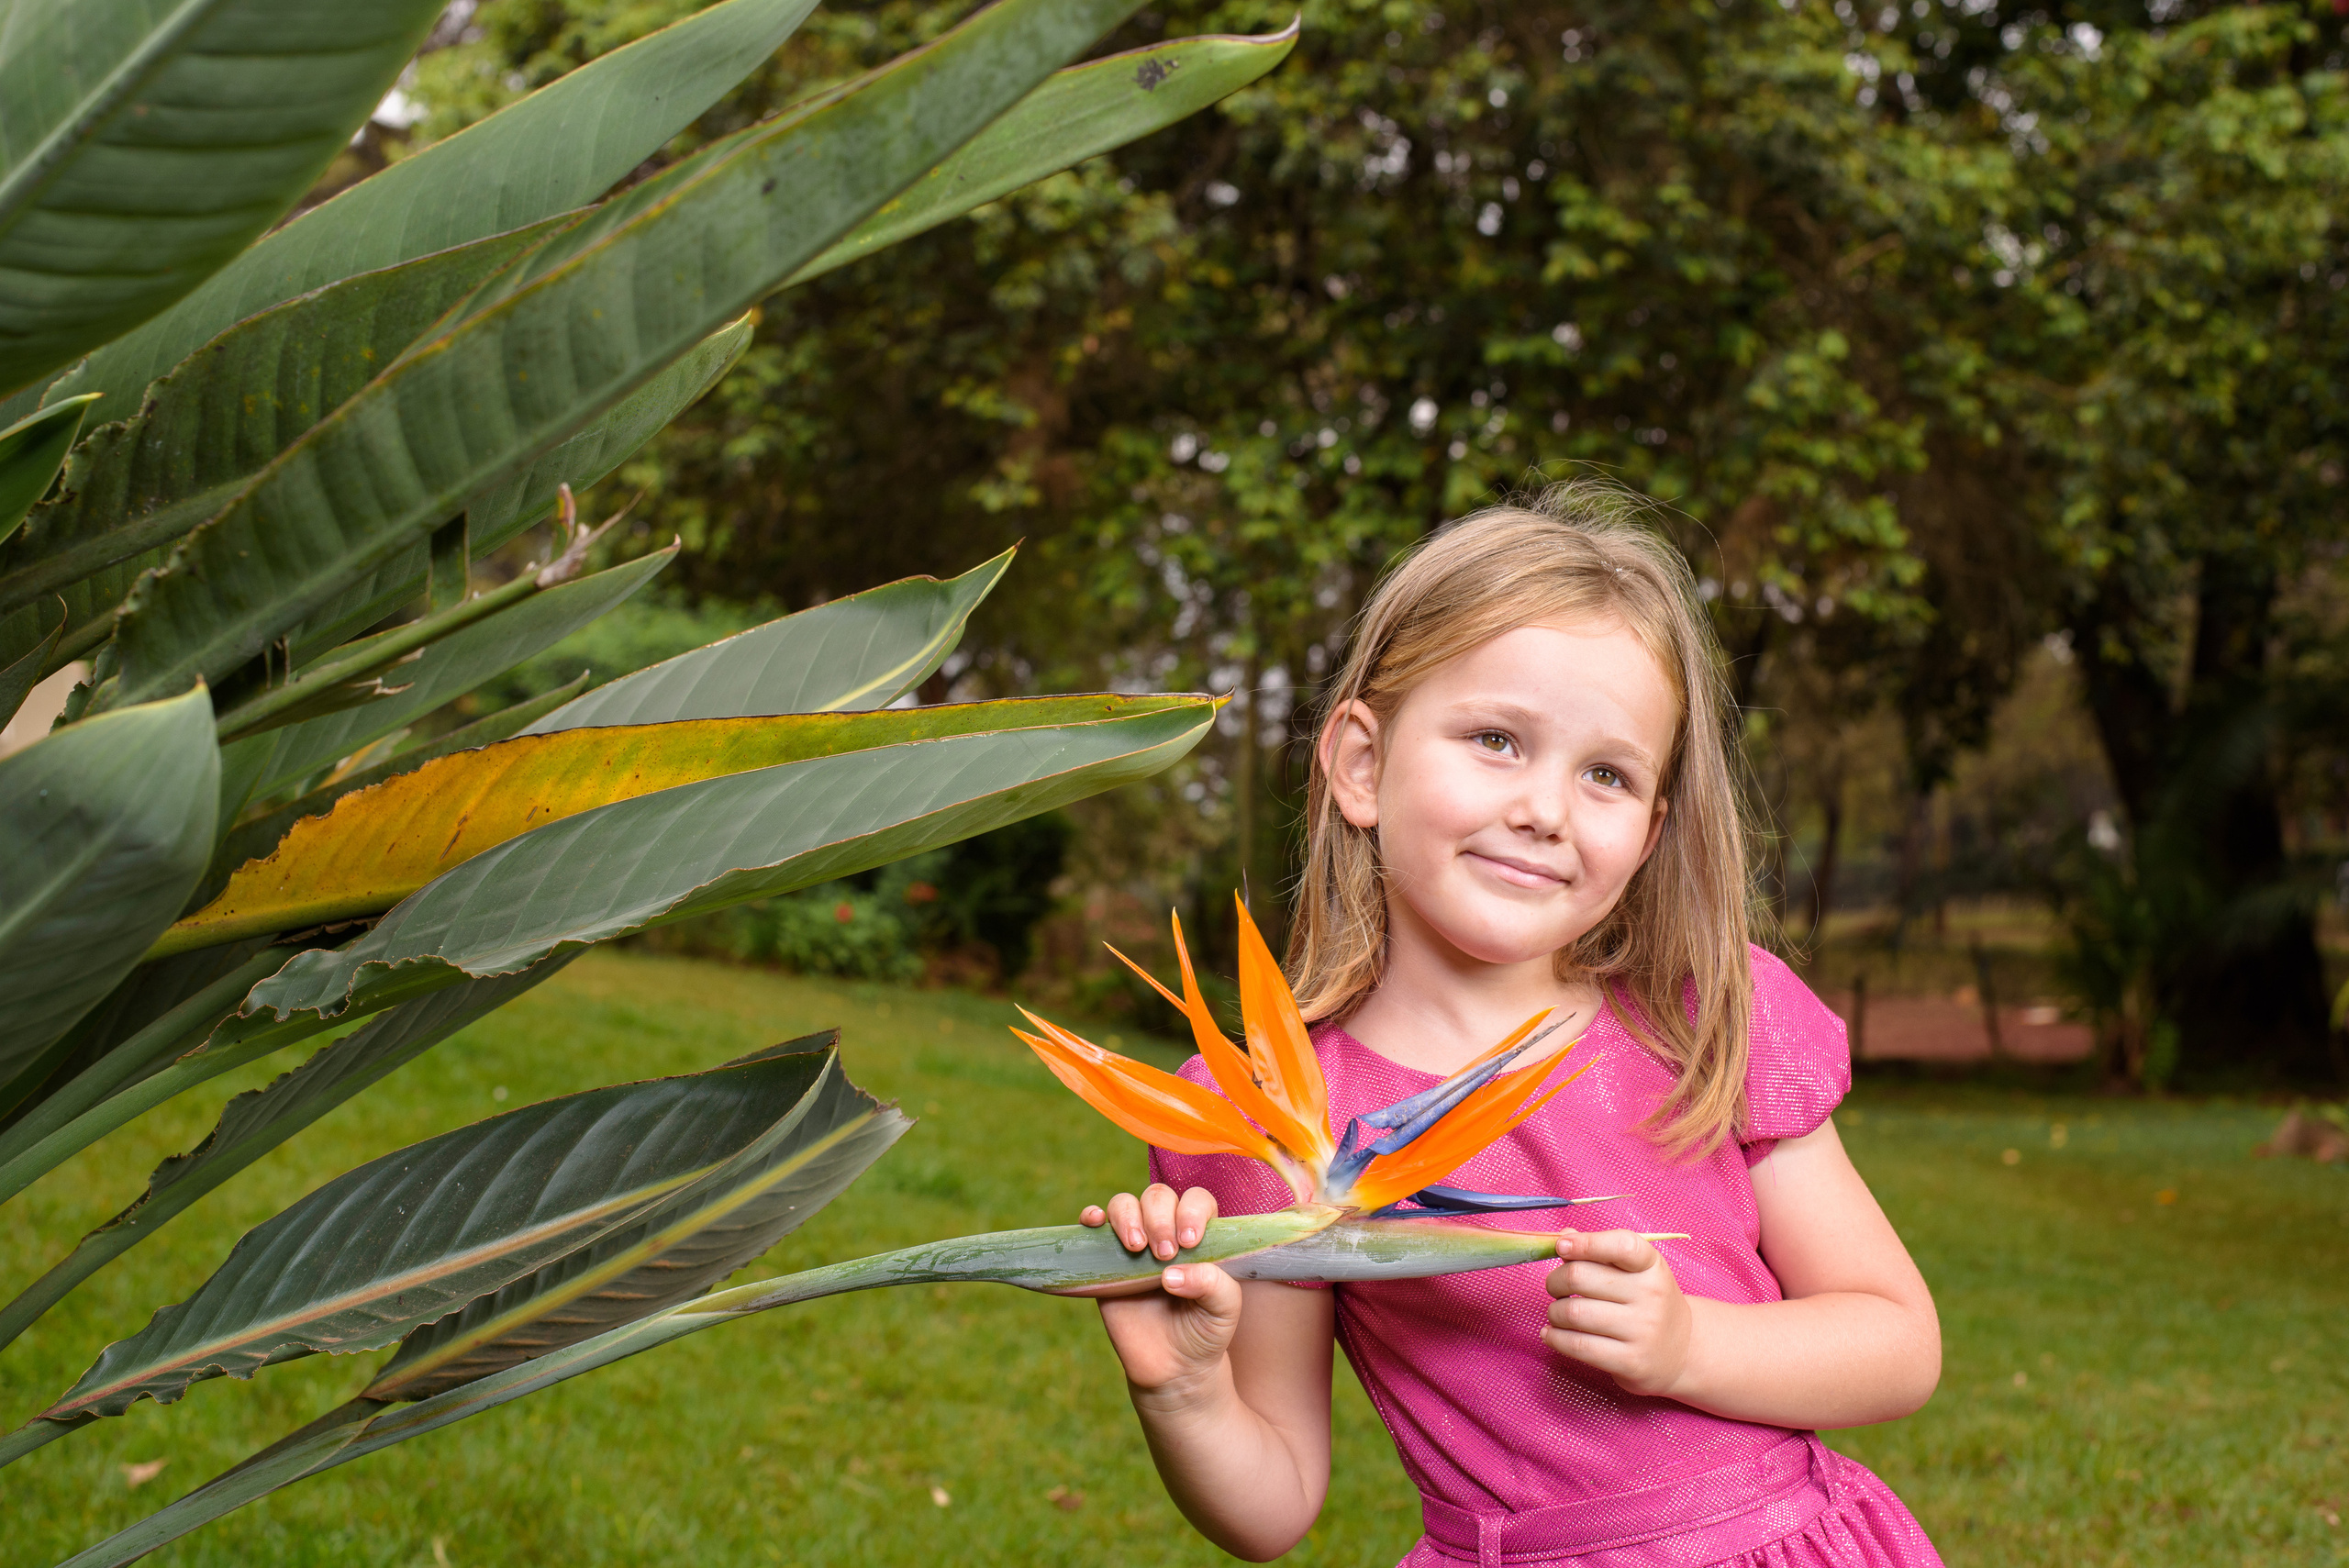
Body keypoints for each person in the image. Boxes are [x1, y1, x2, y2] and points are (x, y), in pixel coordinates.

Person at [1078, 484, 1943, 1566]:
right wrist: (1185, 1388)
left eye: (1606, 774)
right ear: (1359, 764)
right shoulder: (1272, 1114)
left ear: (1649, 828)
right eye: (1495, 738)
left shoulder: (1711, 1013)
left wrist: (1687, 1345)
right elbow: (1274, 1502)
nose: (1546, 807)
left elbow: (1898, 1340)